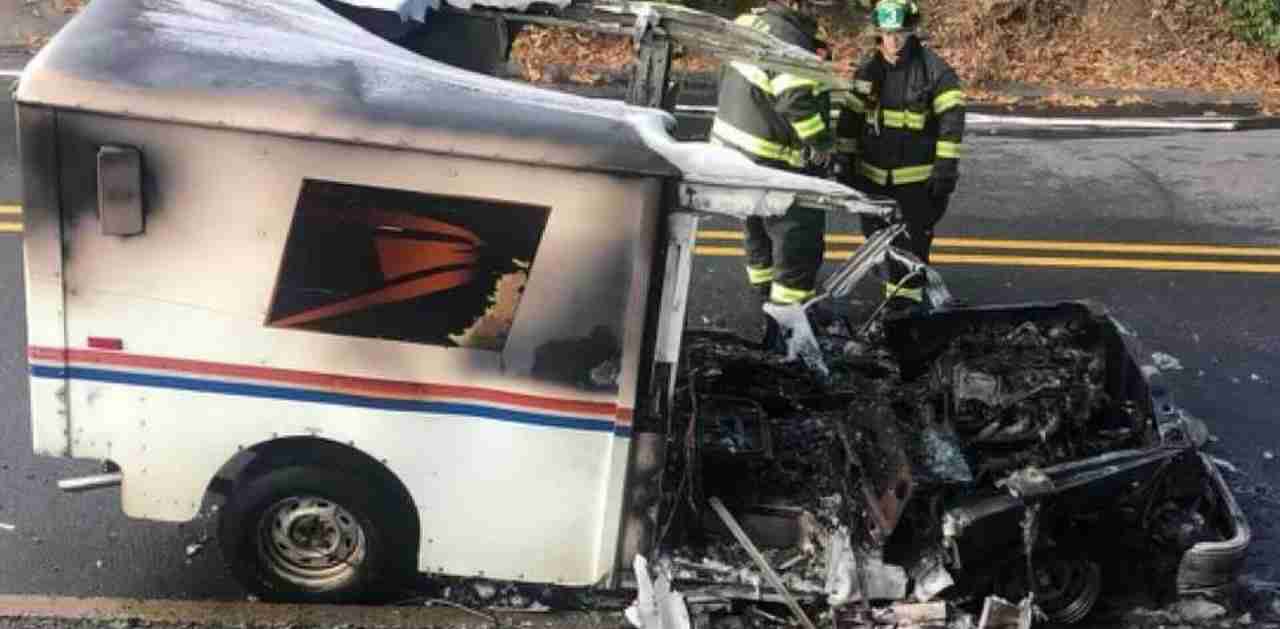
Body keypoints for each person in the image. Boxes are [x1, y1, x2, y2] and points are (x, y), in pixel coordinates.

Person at [711, 0, 834, 342]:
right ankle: (789, 326)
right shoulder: (788, 38)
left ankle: (762, 298)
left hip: (734, 153)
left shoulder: (748, 22)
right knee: (798, 239)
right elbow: (795, 100)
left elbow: (727, 78)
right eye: (813, 6)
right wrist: (822, 143)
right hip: (772, 159)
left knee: (755, 227)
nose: (818, 13)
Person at [834, 0, 965, 312]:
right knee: (878, 243)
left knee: (912, 246)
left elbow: (951, 125)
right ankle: (895, 298)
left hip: (916, 184)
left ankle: (904, 311)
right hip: (873, 179)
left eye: (900, 34)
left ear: (912, 31)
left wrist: (945, 169)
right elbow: (850, 120)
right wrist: (844, 160)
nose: (892, 41)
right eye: (886, 34)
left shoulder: (936, 72)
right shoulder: (869, 71)